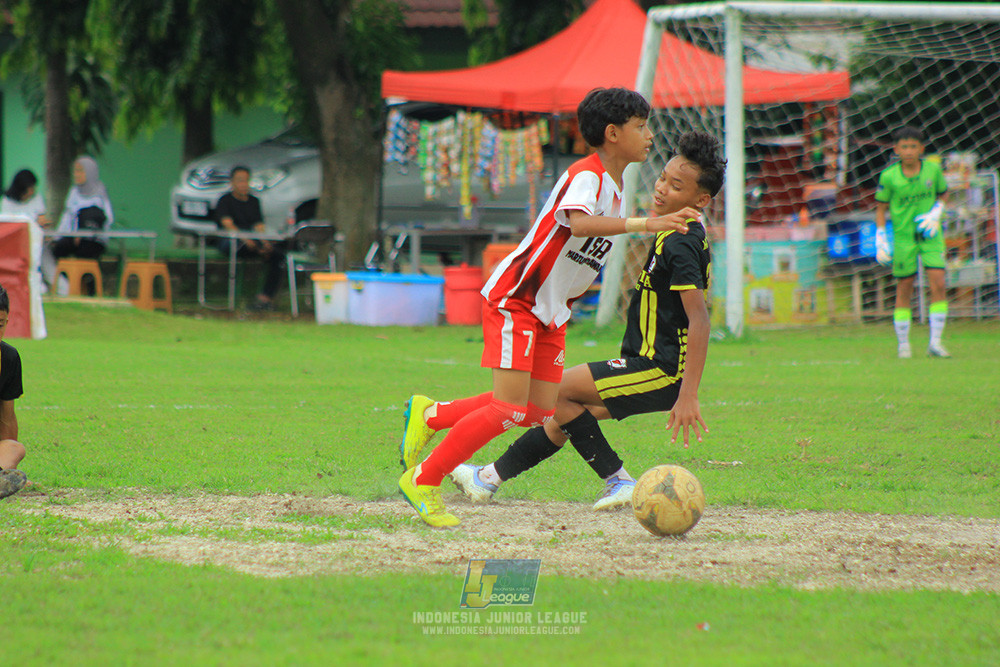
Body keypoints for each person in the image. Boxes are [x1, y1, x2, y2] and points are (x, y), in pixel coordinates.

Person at [397, 87, 702, 527]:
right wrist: (645, 223)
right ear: (613, 134)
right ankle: (424, 479)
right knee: (508, 409)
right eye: (641, 126)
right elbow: (577, 223)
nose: (650, 135)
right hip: (518, 299)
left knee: (537, 410)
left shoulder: (614, 190)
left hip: (550, 312)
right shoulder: (588, 176)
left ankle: (432, 414)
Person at [447, 132, 725, 511]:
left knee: (556, 394)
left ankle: (620, 482)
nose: (661, 189)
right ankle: (487, 478)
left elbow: (700, 320)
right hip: (648, 363)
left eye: (676, 187)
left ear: (701, 200)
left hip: (660, 369)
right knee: (565, 418)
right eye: (662, 178)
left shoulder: (680, 241)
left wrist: (688, 393)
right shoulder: (668, 230)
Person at [874, 126, 950, 358]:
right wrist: (881, 240)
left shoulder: (933, 170)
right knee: (904, 286)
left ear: (921, 148)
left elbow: (944, 193)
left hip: (930, 235)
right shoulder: (889, 176)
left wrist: (937, 211)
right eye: (904, 147)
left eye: (913, 146)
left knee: (938, 282)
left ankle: (935, 343)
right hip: (904, 238)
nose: (909, 151)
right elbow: (881, 208)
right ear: (896, 150)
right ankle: (903, 345)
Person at [214, 166, 284, 310]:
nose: (243, 184)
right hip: (231, 240)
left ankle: (265, 297)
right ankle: (234, 300)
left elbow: (258, 225)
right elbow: (228, 224)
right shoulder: (224, 201)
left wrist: (264, 243)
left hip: (253, 239)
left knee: (277, 255)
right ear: (232, 182)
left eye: (246, 180)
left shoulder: (253, 201)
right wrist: (245, 239)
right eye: (240, 181)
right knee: (241, 246)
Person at [1, 169, 55, 292]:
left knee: (50, 270)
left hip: (38, 245)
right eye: (30, 189)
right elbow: (10, 227)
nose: (32, 192)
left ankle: (61, 289)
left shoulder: (37, 198)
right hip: (16, 248)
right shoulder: (7, 202)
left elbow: (42, 219)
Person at [53, 156, 114, 263]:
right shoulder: (74, 191)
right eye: (75, 171)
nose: (76, 175)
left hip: (95, 238)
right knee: (59, 249)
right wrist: (56, 237)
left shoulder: (100, 192)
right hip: (74, 236)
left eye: (80, 171)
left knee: (86, 251)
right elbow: (67, 216)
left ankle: (86, 279)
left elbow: (108, 218)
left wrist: (84, 233)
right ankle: (65, 279)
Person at [0, 285, 28, 500]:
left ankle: (3, 477)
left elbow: (7, 417)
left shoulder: (8, 358)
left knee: (14, 448)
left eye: (0, 324)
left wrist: (8, 469)